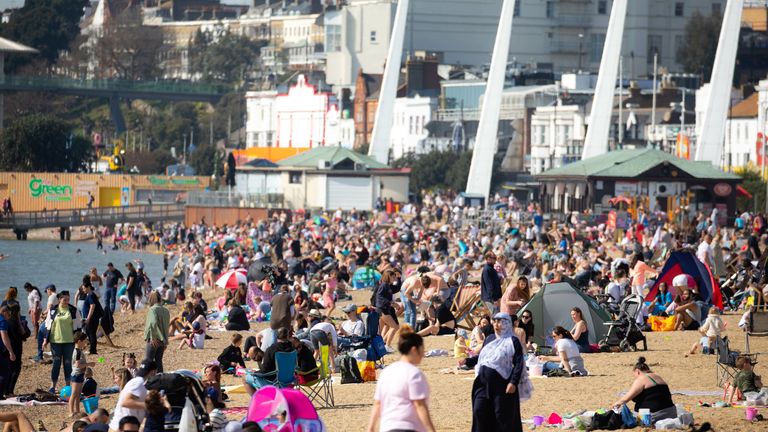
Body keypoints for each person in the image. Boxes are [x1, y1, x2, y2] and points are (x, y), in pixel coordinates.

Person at [366, 327, 436, 432]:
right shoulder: (414, 373)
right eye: (422, 349)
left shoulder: (386, 372)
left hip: (388, 427)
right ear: (414, 350)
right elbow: (419, 405)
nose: (423, 354)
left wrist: (371, 428)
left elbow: (378, 403)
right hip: (409, 427)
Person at [471, 312, 525, 432]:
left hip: (502, 384)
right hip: (482, 383)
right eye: (494, 321)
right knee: (479, 410)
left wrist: (513, 382)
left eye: (500, 321)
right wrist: (467, 361)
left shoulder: (512, 341)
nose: (496, 324)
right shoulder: (490, 338)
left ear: (507, 323)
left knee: (501, 416)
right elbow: (483, 357)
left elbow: (519, 363)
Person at [611, 357, 677, 424]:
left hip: (654, 415)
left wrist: (617, 403)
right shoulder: (657, 376)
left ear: (638, 371)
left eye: (635, 375)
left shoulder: (641, 379)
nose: (635, 377)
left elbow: (627, 398)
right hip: (672, 413)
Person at [45, 290, 82, 393]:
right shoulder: (53, 310)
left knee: (67, 363)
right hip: (55, 341)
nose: (66, 301)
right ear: (59, 299)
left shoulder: (73, 310)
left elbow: (79, 326)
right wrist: (45, 340)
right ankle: (53, 386)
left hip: (69, 342)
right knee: (56, 363)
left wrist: (79, 341)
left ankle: (68, 386)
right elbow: (48, 325)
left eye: (68, 299)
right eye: (64, 299)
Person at [244, 327, 294, 396]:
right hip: (289, 380)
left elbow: (265, 371)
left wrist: (255, 373)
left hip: (274, 382)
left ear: (276, 336)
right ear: (287, 336)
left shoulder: (271, 350)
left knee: (245, 379)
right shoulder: (293, 349)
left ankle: (257, 401)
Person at [109, 360, 157, 430]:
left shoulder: (138, 382)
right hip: (121, 428)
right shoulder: (138, 382)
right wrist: (148, 406)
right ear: (153, 371)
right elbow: (126, 402)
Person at [373, 268, 402, 348]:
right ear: (388, 277)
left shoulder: (388, 285)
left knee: (388, 328)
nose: (394, 279)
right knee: (394, 327)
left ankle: (383, 345)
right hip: (382, 309)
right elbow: (379, 296)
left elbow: (397, 288)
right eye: (393, 277)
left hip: (385, 308)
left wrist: (399, 279)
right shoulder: (384, 285)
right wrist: (391, 303)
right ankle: (387, 346)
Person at [143, 292, 170, 373]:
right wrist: (165, 341)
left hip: (153, 339)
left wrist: (153, 337)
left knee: (148, 361)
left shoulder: (152, 309)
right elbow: (166, 326)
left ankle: (148, 381)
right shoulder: (166, 310)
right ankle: (160, 379)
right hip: (162, 340)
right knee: (159, 362)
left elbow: (153, 323)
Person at [69, 331, 94, 416]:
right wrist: (89, 364)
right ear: (79, 341)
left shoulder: (78, 350)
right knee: (74, 394)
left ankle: (77, 411)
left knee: (78, 394)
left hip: (79, 375)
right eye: (85, 340)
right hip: (76, 375)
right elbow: (78, 365)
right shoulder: (78, 352)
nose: (86, 342)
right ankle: (71, 412)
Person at [81, 283, 103, 355]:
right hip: (92, 318)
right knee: (89, 332)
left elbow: (92, 306)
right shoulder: (90, 295)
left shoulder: (90, 295)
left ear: (88, 287)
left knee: (91, 333)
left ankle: (93, 351)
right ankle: (92, 349)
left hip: (92, 318)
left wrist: (88, 318)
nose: (83, 290)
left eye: (84, 288)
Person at [0, 305, 15, 399]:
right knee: (4, 372)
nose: (9, 317)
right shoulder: (2, 321)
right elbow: (4, 336)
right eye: (9, 314)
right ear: (5, 312)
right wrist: (11, 351)